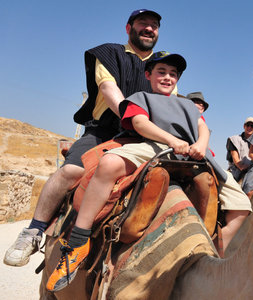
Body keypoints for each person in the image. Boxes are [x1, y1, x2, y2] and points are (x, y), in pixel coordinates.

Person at [46, 51, 252, 292]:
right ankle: (78, 242)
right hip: (153, 145)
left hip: (192, 153)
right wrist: (171, 140)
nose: (167, 77)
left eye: (173, 74)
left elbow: (203, 129)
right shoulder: (139, 97)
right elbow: (140, 124)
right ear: (148, 75)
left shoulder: (187, 105)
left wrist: (200, 146)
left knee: (241, 205)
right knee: (109, 163)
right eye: (161, 72)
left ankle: (213, 255)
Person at [4, 9, 163, 267]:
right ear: (128, 28)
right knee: (72, 171)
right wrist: (131, 116)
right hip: (105, 130)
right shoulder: (109, 53)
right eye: (143, 23)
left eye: (154, 25)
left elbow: (169, 103)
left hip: (144, 137)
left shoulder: (162, 66)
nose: (149, 28)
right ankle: (33, 231)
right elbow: (108, 88)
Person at [226, 117, 253, 199]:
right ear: (244, 126)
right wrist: (243, 167)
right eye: (247, 125)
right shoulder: (234, 139)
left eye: (252, 126)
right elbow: (236, 159)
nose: (249, 127)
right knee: (231, 194)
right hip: (238, 170)